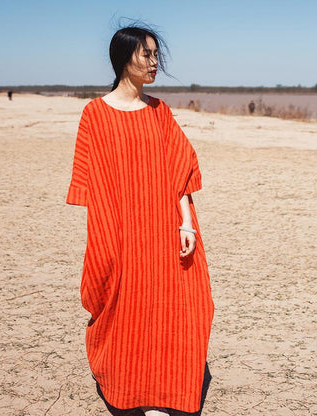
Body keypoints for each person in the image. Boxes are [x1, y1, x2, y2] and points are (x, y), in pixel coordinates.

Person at [66, 24, 215, 416]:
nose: (154, 63)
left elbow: (179, 171)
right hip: (122, 230)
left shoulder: (159, 110)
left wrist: (186, 223)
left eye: (155, 55)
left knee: (176, 309)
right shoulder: (94, 114)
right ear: (123, 58)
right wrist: (105, 239)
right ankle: (127, 383)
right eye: (146, 55)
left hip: (165, 229)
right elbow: (92, 184)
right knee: (125, 309)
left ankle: (163, 392)